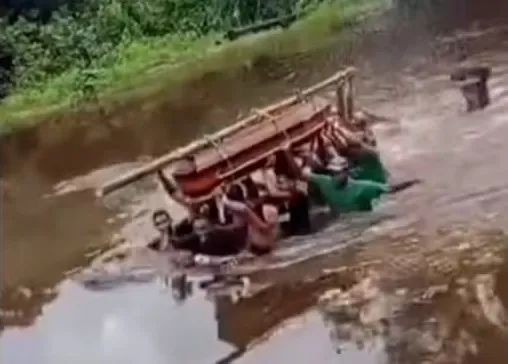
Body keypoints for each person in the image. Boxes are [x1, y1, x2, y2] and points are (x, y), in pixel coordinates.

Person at [281, 143, 419, 213]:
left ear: (346, 173)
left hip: (361, 218)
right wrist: (286, 151)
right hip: (343, 217)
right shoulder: (325, 181)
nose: (334, 176)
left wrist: (412, 183)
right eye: (333, 173)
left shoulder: (363, 186)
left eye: (337, 173)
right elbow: (300, 174)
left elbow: (391, 189)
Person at [220, 182, 279, 256]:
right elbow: (238, 225)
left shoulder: (269, 210)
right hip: (254, 249)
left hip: (264, 249)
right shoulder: (245, 210)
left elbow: (265, 228)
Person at [262, 151, 311, 236]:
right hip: (285, 203)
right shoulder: (269, 172)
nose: (269, 158)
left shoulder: (285, 169)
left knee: (302, 226)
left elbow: (299, 176)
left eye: (271, 155)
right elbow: (273, 193)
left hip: (293, 200)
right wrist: (291, 194)